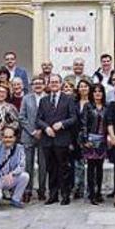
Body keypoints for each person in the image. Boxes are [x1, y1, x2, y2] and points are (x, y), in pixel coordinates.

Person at [36, 74, 79, 205]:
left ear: (61, 84)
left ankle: (65, 195)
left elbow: (74, 118)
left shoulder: (69, 99)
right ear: (48, 84)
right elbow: (38, 119)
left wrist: (62, 124)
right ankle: (53, 195)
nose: (54, 84)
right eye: (52, 82)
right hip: (47, 140)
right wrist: (46, 128)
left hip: (62, 139)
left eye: (56, 82)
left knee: (63, 168)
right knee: (51, 168)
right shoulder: (44, 100)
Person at [0, 127, 29, 208]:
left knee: (25, 176)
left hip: (9, 178)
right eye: (5, 137)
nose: (8, 140)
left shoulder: (19, 148)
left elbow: (22, 165)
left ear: (14, 138)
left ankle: (16, 199)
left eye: (10, 137)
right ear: (2, 137)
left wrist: (12, 174)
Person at [19, 76, 47, 202]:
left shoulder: (48, 98)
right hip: (28, 135)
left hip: (44, 136)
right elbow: (22, 117)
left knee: (43, 165)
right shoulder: (26, 98)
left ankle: (42, 190)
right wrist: (32, 131)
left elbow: (50, 116)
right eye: (35, 83)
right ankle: (27, 191)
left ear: (44, 84)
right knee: (28, 165)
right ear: (31, 85)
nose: (38, 85)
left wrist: (42, 130)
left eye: (40, 83)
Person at [80, 83, 108, 205]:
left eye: (100, 91)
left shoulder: (107, 107)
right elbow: (84, 124)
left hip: (102, 141)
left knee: (100, 168)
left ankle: (99, 193)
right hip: (91, 140)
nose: (97, 94)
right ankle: (91, 194)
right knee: (91, 168)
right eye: (95, 91)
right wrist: (85, 140)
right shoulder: (88, 106)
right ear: (92, 93)